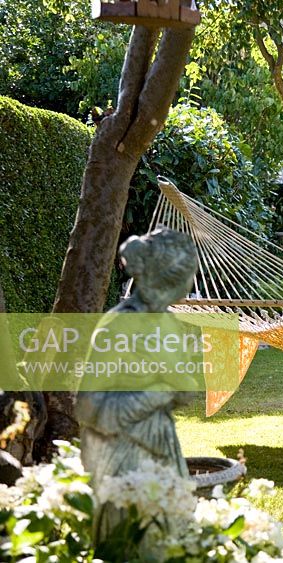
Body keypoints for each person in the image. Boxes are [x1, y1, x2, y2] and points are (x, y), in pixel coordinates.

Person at [75, 227, 199, 543]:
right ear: (170, 279)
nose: (191, 284)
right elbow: (89, 407)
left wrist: (180, 385)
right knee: (130, 541)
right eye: (189, 275)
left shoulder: (169, 323)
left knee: (172, 539)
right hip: (121, 453)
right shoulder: (119, 325)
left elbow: (183, 389)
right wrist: (156, 393)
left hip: (161, 445)